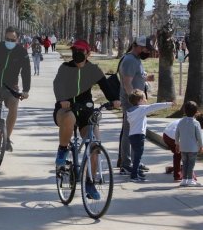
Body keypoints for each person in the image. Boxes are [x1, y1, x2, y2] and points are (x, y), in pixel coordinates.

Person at [53, 39, 120, 199]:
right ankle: (62, 150)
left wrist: (114, 100)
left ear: (88, 53)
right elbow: (58, 84)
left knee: (95, 145)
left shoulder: (94, 70)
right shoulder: (65, 68)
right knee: (69, 117)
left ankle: (90, 182)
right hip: (65, 108)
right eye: (74, 50)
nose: (76, 53)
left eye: (80, 51)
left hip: (85, 111)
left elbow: (106, 88)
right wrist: (62, 99)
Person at [118, 35, 155, 175]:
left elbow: (135, 76)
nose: (148, 52)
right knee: (129, 133)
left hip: (135, 103)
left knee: (134, 132)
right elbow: (127, 83)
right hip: (131, 103)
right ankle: (126, 164)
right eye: (146, 49)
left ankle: (135, 161)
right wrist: (134, 101)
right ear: (139, 47)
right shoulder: (130, 60)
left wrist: (146, 78)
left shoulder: (135, 60)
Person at [126, 89, 174, 182]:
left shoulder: (130, 111)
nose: (146, 100)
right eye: (144, 98)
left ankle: (137, 173)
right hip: (139, 136)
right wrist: (168, 104)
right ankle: (134, 176)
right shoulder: (141, 109)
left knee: (137, 156)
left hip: (132, 135)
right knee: (138, 157)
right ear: (139, 100)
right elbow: (154, 106)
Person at [163, 114, 201, 181]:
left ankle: (173, 169)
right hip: (173, 137)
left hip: (166, 135)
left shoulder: (186, 120)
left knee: (178, 154)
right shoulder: (194, 124)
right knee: (182, 155)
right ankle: (178, 175)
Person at [175, 101, 203, 187]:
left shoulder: (181, 121)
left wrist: (177, 144)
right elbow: (199, 136)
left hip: (183, 147)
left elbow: (177, 133)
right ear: (196, 112)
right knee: (191, 164)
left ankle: (184, 179)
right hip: (193, 148)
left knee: (184, 163)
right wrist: (201, 146)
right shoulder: (196, 123)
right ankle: (190, 180)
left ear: (184, 110)